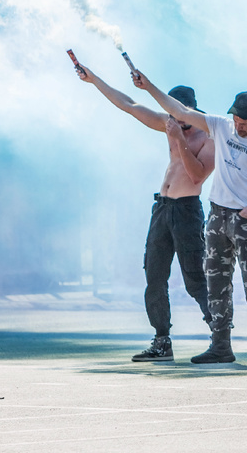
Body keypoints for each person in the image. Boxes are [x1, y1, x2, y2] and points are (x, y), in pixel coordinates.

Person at [134, 70, 247, 365]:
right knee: (216, 283)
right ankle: (220, 345)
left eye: (244, 121)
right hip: (218, 216)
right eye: (236, 120)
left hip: (245, 220)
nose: (239, 125)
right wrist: (147, 85)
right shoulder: (222, 126)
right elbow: (179, 111)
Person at [75, 62, 214, 363]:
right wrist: (94, 79)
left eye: (183, 115)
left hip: (187, 210)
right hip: (162, 209)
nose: (179, 121)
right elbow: (128, 104)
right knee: (154, 276)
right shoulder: (168, 122)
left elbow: (197, 176)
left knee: (195, 279)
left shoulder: (208, 134)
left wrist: (179, 139)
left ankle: (219, 334)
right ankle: (162, 339)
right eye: (174, 114)